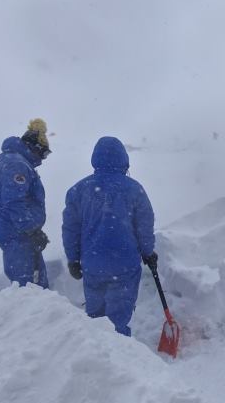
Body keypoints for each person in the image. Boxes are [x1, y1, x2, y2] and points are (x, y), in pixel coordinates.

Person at [62, 136, 156, 337]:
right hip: (124, 265)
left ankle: (97, 354)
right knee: (118, 318)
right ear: (124, 160)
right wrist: (148, 252)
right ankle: (119, 357)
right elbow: (144, 226)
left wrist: (73, 259)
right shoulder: (134, 189)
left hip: (93, 264)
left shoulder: (79, 190)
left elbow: (71, 228)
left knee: (95, 317)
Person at [0, 118, 52, 288]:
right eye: (44, 153)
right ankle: (36, 314)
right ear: (35, 148)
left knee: (35, 282)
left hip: (18, 232)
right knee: (29, 287)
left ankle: (41, 311)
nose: (43, 159)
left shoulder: (9, 160)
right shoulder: (16, 164)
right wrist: (31, 230)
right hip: (18, 234)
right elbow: (14, 201)